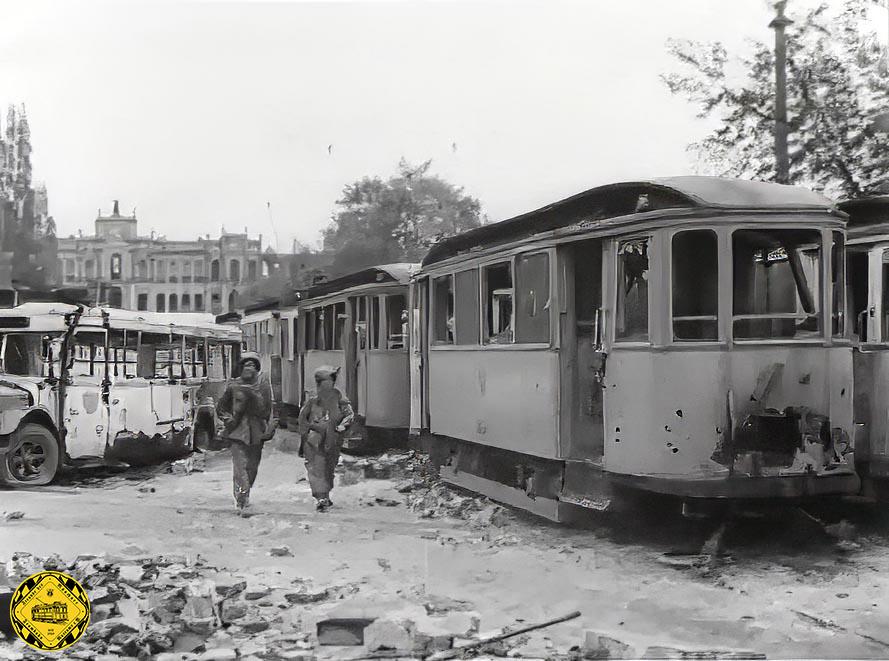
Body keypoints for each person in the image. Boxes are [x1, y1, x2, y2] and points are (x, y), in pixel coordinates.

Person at [216, 352, 273, 516]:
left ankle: (245, 493)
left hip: (256, 433)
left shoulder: (263, 387)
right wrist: (228, 420)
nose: (250, 368)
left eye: (253, 366)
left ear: (257, 369)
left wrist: (269, 428)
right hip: (237, 432)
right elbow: (221, 408)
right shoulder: (233, 386)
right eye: (247, 365)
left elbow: (269, 409)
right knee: (240, 468)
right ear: (241, 368)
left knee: (252, 468)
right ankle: (241, 498)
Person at [297, 365, 354, 511]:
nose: (329, 384)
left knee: (329, 469)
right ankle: (320, 497)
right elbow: (303, 418)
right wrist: (304, 437)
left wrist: (342, 425)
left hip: (333, 439)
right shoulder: (312, 399)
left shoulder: (340, 397)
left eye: (332, 380)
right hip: (314, 439)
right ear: (320, 382)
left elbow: (349, 414)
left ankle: (326, 494)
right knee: (316, 468)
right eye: (326, 381)